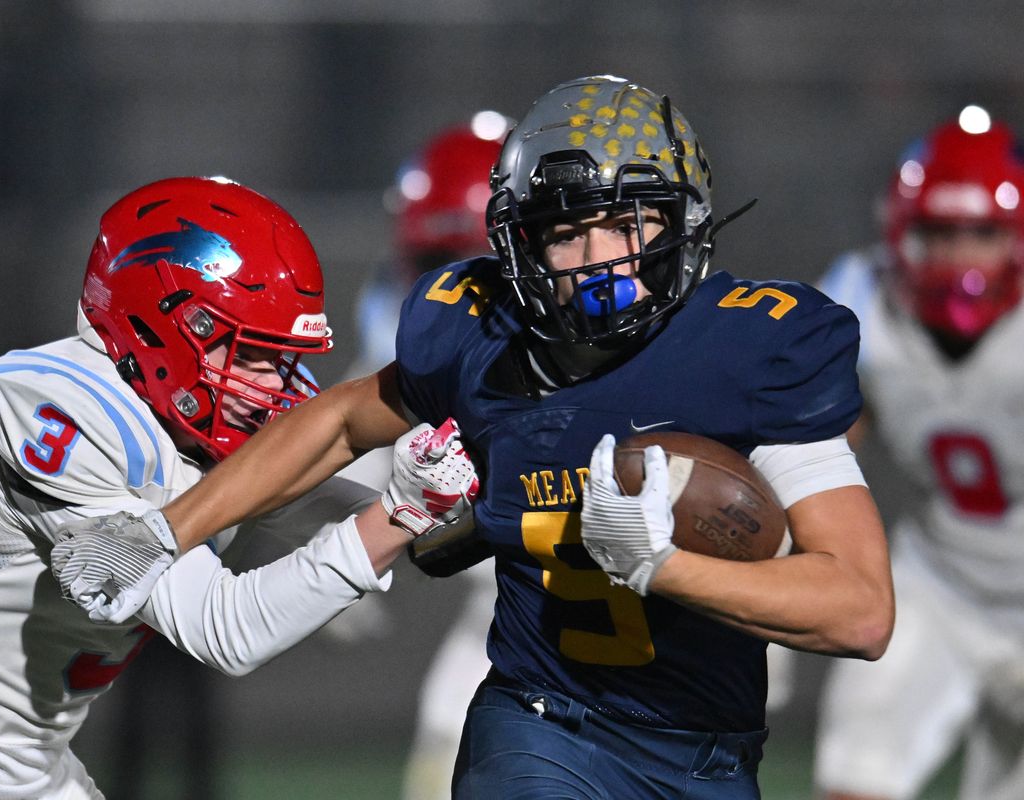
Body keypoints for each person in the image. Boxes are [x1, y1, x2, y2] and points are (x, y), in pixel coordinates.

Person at [54, 76, 895, 798]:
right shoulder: (478, 331)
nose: (597, 258)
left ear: (681, 222)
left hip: (708, 751)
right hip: (545, 723)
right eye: (567, 230)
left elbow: (861, 613)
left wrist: (663, 567)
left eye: (625, 222)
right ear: (521, 244)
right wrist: (168, 530)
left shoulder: (753, 352)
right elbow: (341, 420)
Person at [0, 176, 477, 800]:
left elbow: (372, 529)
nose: (274, 386)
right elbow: (226, 628)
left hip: (23, 771)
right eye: (249, 354)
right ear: (163, 325)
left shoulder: (203, 422)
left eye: (280, 359)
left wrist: (454, 496)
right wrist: (401, 512)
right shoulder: (55, 405)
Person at [813, 109, 1024, 800]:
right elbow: (812, 451)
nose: (962, 258)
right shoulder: (863, 302)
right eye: (940, 235)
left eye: (982, 235)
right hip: (943, 582)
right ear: (902, 236)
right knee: (855, 776)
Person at [341, 114, 508, 800]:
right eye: (432, 268)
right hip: (501, 616)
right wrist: (340, 535)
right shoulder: (400, 320)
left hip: (622, 630)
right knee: (449, 722)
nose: (444, 292)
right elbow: (356, 427)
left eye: (463, 266)